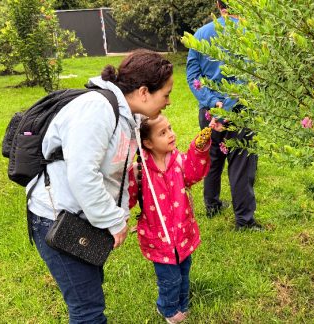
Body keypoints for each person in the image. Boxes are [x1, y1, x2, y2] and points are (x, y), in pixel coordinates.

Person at [27, 49, 174, 323]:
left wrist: (119, 214)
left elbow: (114, 174)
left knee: (91, 294)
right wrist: (113, 221)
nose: (168, 102)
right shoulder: (97, 109)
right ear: (144, 92)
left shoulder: (127, 116)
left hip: (78, 218)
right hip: (55, 219)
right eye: (165, 94)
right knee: (87, 311)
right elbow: (83, 175)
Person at [128, 115, 216, 323]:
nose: (171, 134)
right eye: (163, 132)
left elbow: (194, 172)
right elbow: (127, 198)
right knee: (170, 278)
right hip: (158, 236)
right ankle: (167, 309)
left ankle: (182, 304)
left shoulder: (178, 161)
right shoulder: (141, 171)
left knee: (184, 272)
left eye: (170, 128)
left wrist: (199, 146)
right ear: (147, 143)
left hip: (182, 233)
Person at [186, 0, 262, 230]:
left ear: (219, 6)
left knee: (213, 158)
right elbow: (249, 77)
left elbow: (193, 77)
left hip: (209, 112)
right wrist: (227, 107)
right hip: (240, 111)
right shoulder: (251, 33)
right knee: (241, 164)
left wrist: (213, 104)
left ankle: (212, 205)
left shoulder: (200, 34)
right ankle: (244, 221)